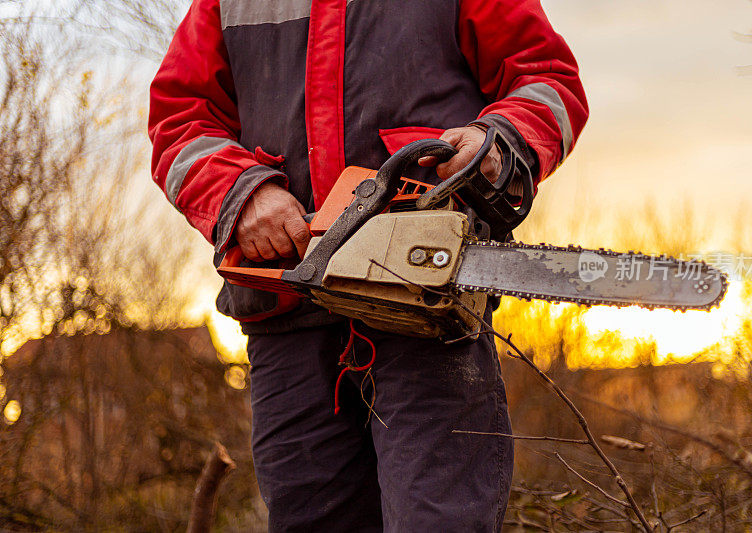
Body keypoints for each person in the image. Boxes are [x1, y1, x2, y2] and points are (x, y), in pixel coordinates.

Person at [149, 0, 588, 530]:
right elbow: (179, 117)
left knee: (437, 520)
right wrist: (241, 194)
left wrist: (494, 142)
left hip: (426, 310)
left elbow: (547, 80)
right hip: (290, 320)